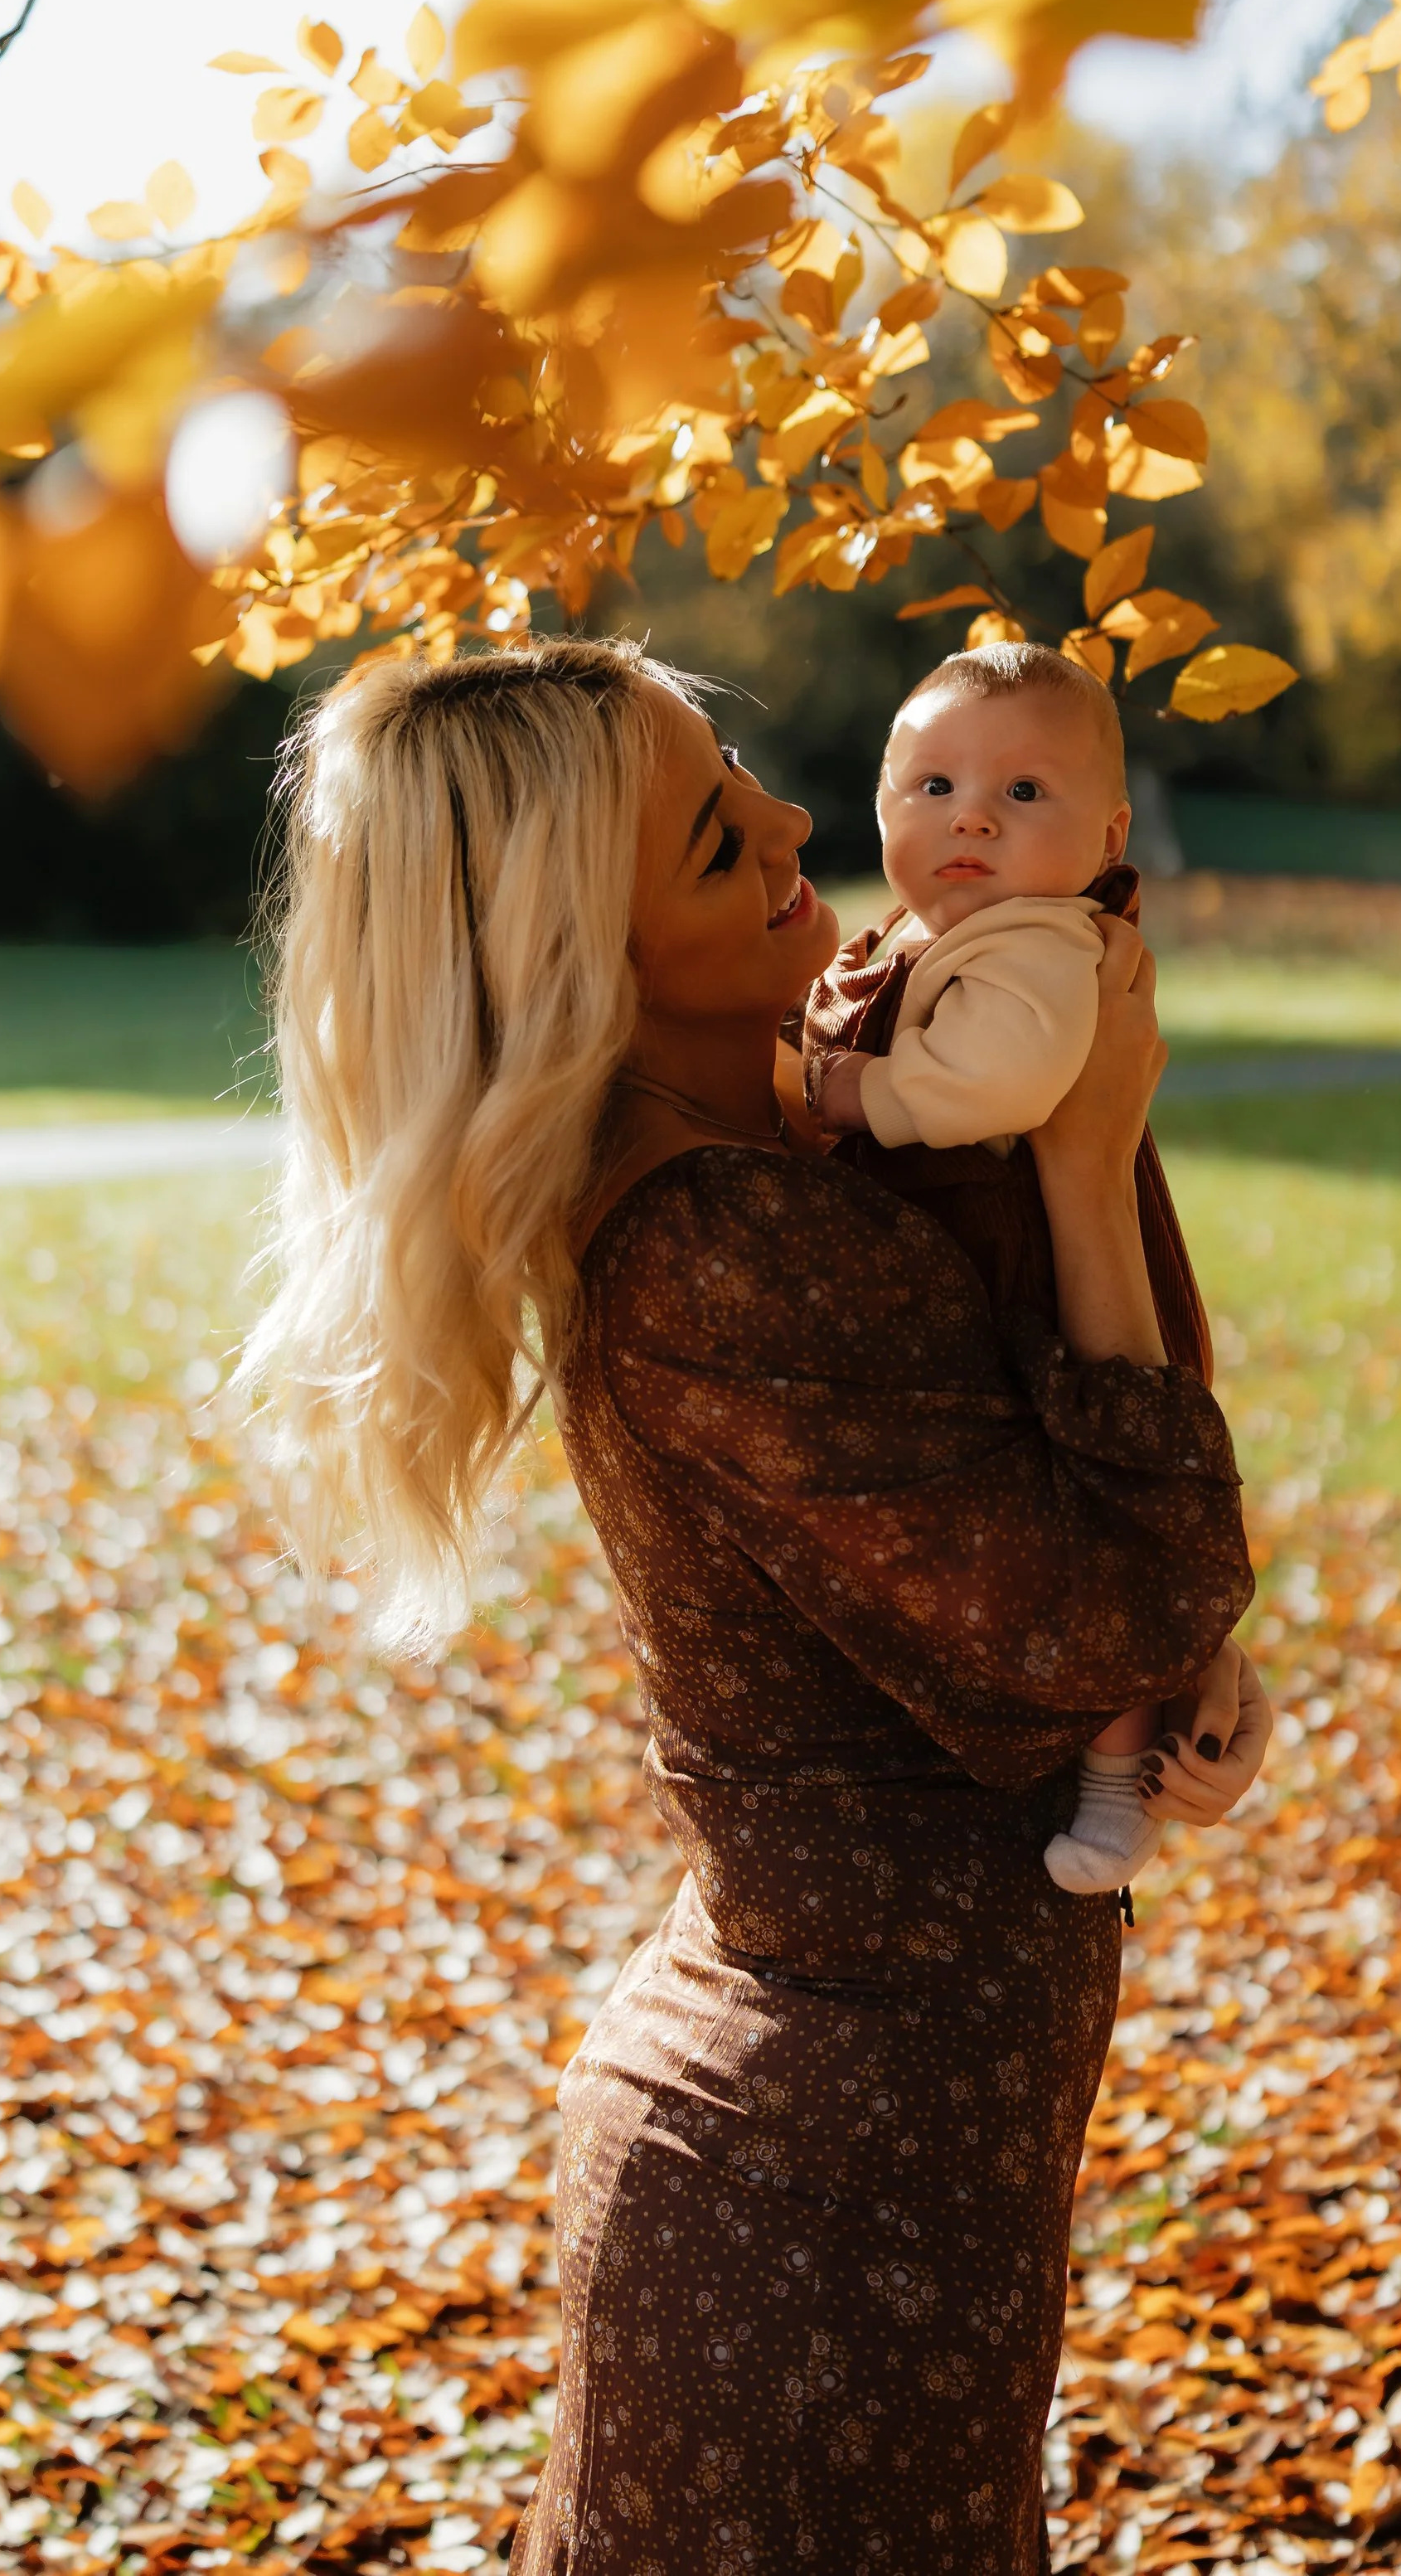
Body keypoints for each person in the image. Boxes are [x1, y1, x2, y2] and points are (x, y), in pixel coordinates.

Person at [243, 636, 1271, 2576]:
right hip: (815, 2214)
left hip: (881, 2167)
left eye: (738, 773)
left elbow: (1063, 1570)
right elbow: (1110, 1600)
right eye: (719, 843)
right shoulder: (722, 1247)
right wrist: (1089, 1156)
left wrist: (1181, 1667)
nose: (802, 822)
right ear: (588, 966)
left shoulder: (798, 1147)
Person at [802, 641, 1214, 1899]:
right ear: (881, 811)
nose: (970, 813)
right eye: (931, 786)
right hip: (987, 1266)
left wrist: (835, 1087)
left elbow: (998, 1084)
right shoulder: (905, 939)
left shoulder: (1043, 940)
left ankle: (1116, 1768)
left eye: (1024, 794)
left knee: (1080, 1521)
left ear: (1108, 833)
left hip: (1042, 1270)